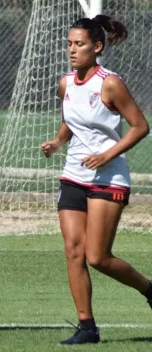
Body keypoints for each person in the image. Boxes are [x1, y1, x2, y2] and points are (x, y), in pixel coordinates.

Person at [41, 15, 152, 345]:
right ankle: (87, 327)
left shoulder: (110, 84)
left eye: (80, 44)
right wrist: (58, 142)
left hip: (108, 176)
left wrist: (107, 155)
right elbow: (71, 120)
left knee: (97, 256)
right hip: (74, 175)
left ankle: (149, 289)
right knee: (73, 252)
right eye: (69, 44)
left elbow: (140, 126)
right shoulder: (65, 83)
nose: (72, 50)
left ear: (97, 47)